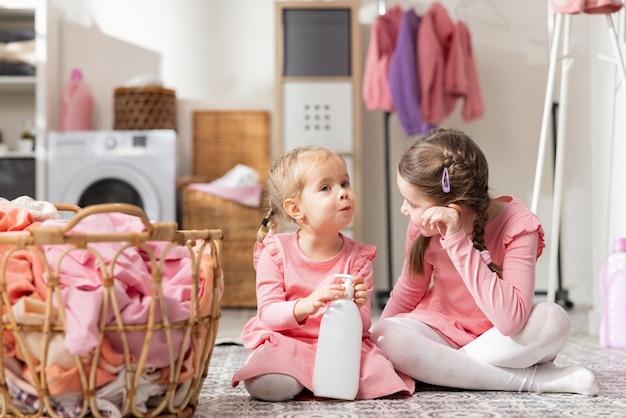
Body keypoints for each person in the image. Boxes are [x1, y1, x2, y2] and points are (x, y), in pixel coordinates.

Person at [371, 128, 600, 396]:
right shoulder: (421, 229)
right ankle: (533, 381)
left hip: (499, 340)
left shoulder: (518, 225)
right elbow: (408, 292)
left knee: (554, 320)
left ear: (451, 211)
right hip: (438, 332)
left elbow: (510, 322)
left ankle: (445, 370)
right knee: (386, 335)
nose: (404, 209)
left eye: (412, 203)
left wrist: (457, 240)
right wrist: (373, 348)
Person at [232, 145, 415, 401]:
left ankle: (314, 379)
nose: (343, 193)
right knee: (269, 386)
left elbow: (362, 325)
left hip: (341, 345)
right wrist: (307, 305)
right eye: (326, 188)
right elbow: (269, 314)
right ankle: (304, 376)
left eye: (345, 183)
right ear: (296, 209)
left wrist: (357, 306)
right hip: (290, 342)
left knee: (381, 377)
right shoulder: (274, 252)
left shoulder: (359, 257)